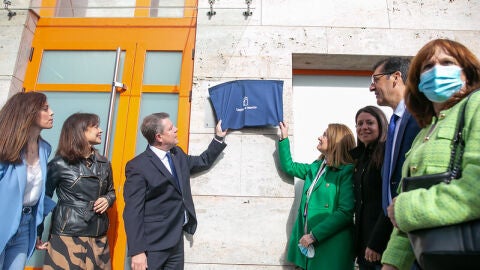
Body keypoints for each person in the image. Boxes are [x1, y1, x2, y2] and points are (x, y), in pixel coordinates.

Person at [381, 39, 480, 269]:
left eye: (447, 62)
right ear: (418, 82)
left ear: (467, 74)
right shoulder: (424, 131)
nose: (437, 70)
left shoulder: (476, 105)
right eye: (427, 66)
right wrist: (391, 264)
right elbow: (405, 221)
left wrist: (406, 208)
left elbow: (475, 189)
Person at [123, 112, 227, 270]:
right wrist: (137, 251)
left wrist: (218, 138)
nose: (176, 129)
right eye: (171, 128)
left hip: (175, 241)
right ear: (159, 137)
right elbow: (132, 212)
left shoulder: (177, 155)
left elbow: (202, 161)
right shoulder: (138, 166)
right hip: (153, 245)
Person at [40, 113, 116, 269]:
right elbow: (43, 199)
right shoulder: (59, 163)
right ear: (80, 131)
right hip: (67, 235)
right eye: (95, 126)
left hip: (98, 236)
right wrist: (36, 233)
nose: (100, 130)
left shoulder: (104, 163)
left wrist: (108, 200)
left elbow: (111, 191)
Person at [278, 121, 356, 270]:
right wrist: (284, 138)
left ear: (336, 141)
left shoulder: (346, 171)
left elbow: (345, 212)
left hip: (332, 244)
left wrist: (315, 235)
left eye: (325, 135)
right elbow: (289, 166)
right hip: (309, 243)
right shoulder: (316, 167)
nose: (320, 137)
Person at [0, 92, 54, 269]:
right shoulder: (5, 146)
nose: (52, 112)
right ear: (29, 112)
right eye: (45, 109)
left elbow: (38, 191)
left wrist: (36, 227)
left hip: (25, 225)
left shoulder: (44, 149)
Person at [350, 106, 389, 270]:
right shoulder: (360, 158)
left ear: (381, 126)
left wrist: (377, 242)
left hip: (381, 242)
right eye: (359, 124)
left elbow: (388, 201)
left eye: (369, 123)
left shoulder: (387, 154)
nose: (363, 127)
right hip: (364, 242)